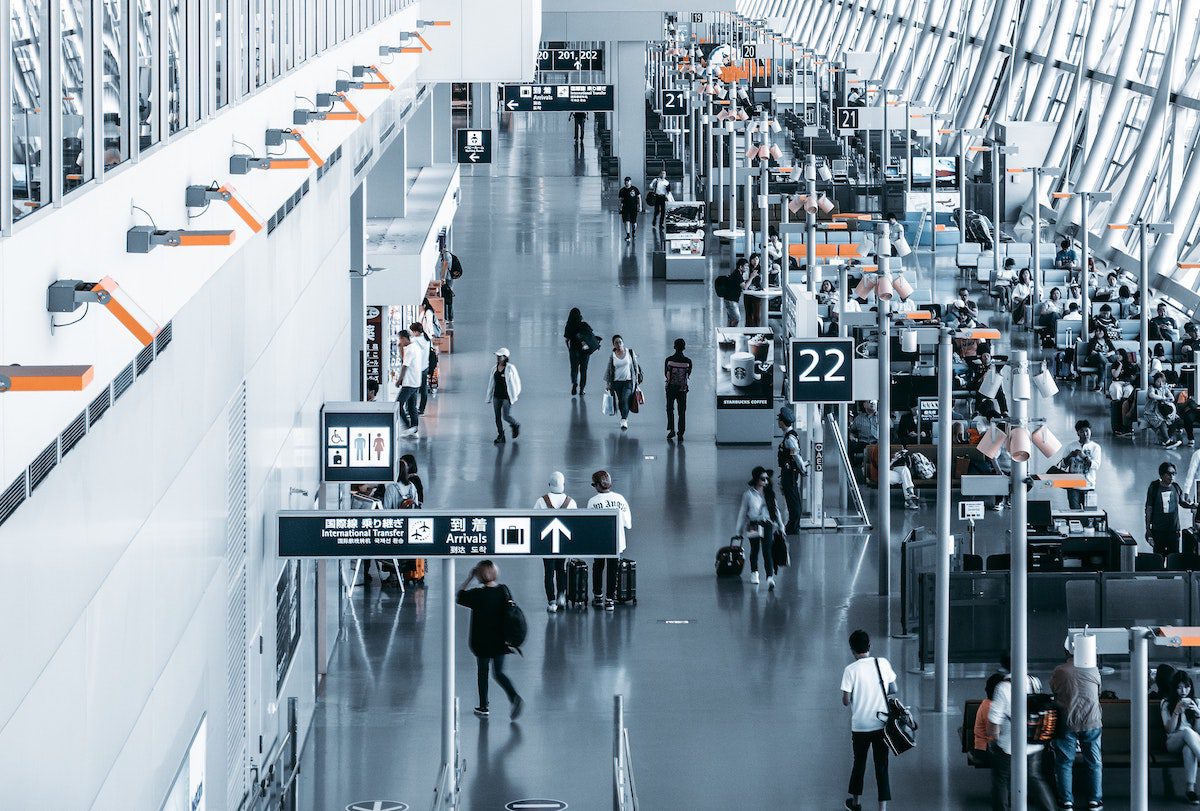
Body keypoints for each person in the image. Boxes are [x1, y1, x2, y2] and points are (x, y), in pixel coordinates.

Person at [456, 561, 524, 720]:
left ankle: (483, 706)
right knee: (499, 673)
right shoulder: (503, 590)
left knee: (483, 673)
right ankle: (514, 697)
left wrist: (468, 578)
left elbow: (459, 596)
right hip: (501, 641)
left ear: (479, 575)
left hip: (482, 642)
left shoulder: (477, 595)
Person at [841, 629, 896, 811]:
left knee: (859, 763)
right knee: (881, 765)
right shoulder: (882, 663)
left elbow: (846, 700)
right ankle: (882, 808)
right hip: (881, 724)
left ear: (852, 650)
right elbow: (893, 688)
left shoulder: (850, 670)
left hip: (860, 726)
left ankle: (856, 803)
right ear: (869, 646)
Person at [988, 667, 1057, 810]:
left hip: (1009, 744)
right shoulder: (1034, 681)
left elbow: (994, 720)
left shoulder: (1002, 688)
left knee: (1001, 779)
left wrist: (993, 740)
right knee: (1034, 777)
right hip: (1033, 741)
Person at [1050, 647, 1104, 810]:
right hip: (1091, 721)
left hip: (1067, 721)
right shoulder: (1093, 669)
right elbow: (1098, 691)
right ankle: (1095, 800)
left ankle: (1067, 801)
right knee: (1094, 762)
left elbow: (1054, 689)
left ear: (1066, 653)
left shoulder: (1060, 671)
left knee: (1065, 763)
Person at [587, 470, 632, 611]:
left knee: (598, 567)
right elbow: (628, 524)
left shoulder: (593, 502)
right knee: (613, 570)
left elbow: (589, 524)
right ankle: (610, 600)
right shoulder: (620, 499)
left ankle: (598, 595)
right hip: (616, 542)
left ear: (597, 486)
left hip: (599, 541)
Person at [734, 465, 782, 589]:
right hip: (753, 523)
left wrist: (781, 525)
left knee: (767, 550)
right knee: (755, 549)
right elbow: (743, 513)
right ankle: (754, 572)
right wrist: (739, 531)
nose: (765, 481)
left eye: (766, 479)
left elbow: (776, 511)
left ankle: (769, 577)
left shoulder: (769, 494)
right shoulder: (748, 495)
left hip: (767, 523)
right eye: (762, 479)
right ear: (756, 479)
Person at [535, 472, 576, 613]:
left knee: (548, 572)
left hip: (546, 544)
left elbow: (533, 521)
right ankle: (561, 597)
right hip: (564, 544)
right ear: (563, 484)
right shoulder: (571, 502)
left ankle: (551, 601)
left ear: (549, 485)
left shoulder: (541, 501)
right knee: (561, 569)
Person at [1161, 669, 1200, 804]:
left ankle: (1190, 790)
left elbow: (1198, 732)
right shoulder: (1166, 703)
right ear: (1174, 688)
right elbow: (1169, 729)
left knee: (1188, 749)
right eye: (1179, 687)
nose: (1183, 691)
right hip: (1173, 741)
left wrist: (1198, 714)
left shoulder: (1197, 702)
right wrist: (1176, 711)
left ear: (1191, 687)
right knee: (1187, 732)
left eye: (1186, 686)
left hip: (1191, 742)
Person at [1146, 461, 1196, 556]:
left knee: (1174, 558)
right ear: (1162, 475)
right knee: (1159, 558)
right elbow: (1149, 509)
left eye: (1174, 473)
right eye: (1169, 474)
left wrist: (1193, 505)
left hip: (1174, 531)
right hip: (1159, 531)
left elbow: (1182, 503)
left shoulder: (1176, 487)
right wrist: (1148, 530)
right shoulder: (1154, 487)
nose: (1172, 476)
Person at [1051, 420, 1102, 511]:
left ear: (1090, 431)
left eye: (1087, 431)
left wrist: (1084, 457)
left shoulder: (1095, 447)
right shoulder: (1071, 446)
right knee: (1074, 512)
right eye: (1082, 431)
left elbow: (1096, 465)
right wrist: (1069, 456)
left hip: (1089, 486)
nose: (1085, 434)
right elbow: (1062, 465)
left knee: (1089, 513)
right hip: (1073, 486)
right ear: (1078, 433)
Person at [777, 407, 807, 534]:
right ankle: (793, 524)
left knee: (792, 498)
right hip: (787, 471)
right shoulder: (789, 436)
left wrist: (802, 468)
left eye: (779, 419)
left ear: (783, 422)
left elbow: (796, 455)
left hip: (790, 473)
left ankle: (793, 526)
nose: (778, 421)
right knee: (791, 497)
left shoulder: (789, 439)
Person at [604, 335, 643, 431]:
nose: (618, 344)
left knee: (625, 399)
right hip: (616, 383)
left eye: (620, 342)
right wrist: (608, 383)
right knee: (621, 401)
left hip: (629, 381)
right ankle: (623, 416)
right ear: (613, 344)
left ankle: (624, 419)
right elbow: (609, 370)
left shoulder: (630, 352)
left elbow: (635, 367)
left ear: (623, 342)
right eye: (616, 342)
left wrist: (637, 381)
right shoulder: (612, 356)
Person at [485, 347, 522, 445]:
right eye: (497, 356)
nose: (497, 358)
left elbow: (517, 382)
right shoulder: (494, 369)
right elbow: (491, 384)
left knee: (505, 416)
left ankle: (515, 425)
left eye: (500, 356)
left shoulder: (510, 368)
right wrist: (489, 397)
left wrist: (515, 394)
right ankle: (501, 435)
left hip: (506, 397)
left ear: (505, 357)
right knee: (497, 417)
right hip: (496, 396)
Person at [564, 307, 600, 396]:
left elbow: (566, 340)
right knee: (583, 370)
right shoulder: (584, 325)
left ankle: (574, 383)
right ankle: (582, 389)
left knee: (574, 369)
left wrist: (569, 349)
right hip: (585, 350)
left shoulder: (569, 326)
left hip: (574, 350)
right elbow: (591, 336)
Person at [973, 673, 1005, 766]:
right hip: (985, 749)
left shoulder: (991, 703)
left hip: (990, 746)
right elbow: (994, 734)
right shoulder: (990, 707)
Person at [664, 338, 692, 441]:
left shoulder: (669, 360)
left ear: (674, 347)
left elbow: (665, 374)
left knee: (670, 409)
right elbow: (688, 374)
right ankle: (681, 433)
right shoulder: (688, 361)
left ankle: (672, 430)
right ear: (684, 348)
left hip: (670, 388)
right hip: (682, 389)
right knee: (682, 411)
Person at [396, 330, 422, 438]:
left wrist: (399, 380)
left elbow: (404, 366)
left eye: (400, 339)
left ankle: (407, 426)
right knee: (412, 406)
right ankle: (414, 427)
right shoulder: (415, 347)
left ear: (404, 338)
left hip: (409, 383)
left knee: (398, 404)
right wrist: (400, 348)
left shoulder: (410, 350)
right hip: (416, 381)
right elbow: (405, 360)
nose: (400, 341)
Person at [1147, 372, 1184, 448]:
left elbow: (1172, 398)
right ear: (1154, 381)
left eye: (1162, 382)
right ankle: (1167, 441)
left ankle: (1166, 438)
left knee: (1176, 419)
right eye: (1158, 381)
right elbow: (1152, 395)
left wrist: (1169, 397)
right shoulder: (1151, 388)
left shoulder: (1164, 388)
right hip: (1151, 413)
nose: (1160, 384)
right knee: (1162, 422)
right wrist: (1163, 398)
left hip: (1162, 412)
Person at [409, 322, 432, 414]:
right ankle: (421, 409)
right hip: (425, 367)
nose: (412, 333)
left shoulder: (414, 341)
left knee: (412, 389)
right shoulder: (427, 339)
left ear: (416, 332)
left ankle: (412, 409)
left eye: (412, 331)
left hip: (416, 368)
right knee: (423, 389)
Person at [618, 176, 642, 241]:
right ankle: (628, 235)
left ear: (630, 182)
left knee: (634, 223)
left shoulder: (634, 189)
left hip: (633, 208)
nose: (627, 183)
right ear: (624, 182)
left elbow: (639, 197)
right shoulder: (622, 190)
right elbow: (620, 200)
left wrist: (640, 206)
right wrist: (620, 208)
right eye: (626, 182)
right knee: (627, 221)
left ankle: (633, 232)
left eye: (628, 182)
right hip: (625, 208)